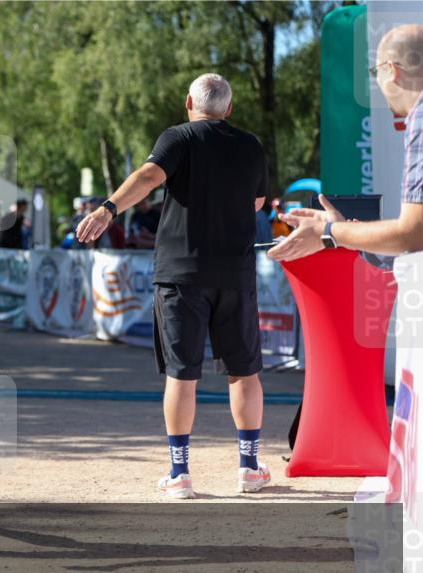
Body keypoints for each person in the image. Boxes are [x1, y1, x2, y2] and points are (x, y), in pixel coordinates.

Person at [76, 72, 270, 499]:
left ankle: (180, 474)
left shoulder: (178, 137)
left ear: (188, 103)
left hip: (181, 275)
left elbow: (149, 176)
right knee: (244, 372)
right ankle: (249, 468)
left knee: (182, 374)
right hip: (235, 273)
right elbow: (257, 202)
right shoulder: (251, 145)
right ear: (229, 109)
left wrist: (107, 209)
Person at [269, 24, 423, 261]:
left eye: (375, 72)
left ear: (391, 70)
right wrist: (341, 229)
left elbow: (412, 235)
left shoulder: (419, 117)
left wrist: (328, 232)